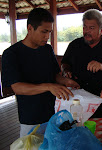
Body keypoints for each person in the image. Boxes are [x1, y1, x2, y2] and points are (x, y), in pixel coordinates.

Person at [1, 8, 80, 137]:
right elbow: (17, 87)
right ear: (30, 28)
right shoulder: (11, 54)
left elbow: (54, 75)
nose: (47, 37)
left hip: (53, 113)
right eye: (44, 32)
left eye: (49, 32)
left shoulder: (47, 49)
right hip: (30, 119)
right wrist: (48, 86)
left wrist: (66, 81)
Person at [61, 9, 102, 118]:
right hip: (77, 101)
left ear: (101, 30)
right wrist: (66, 71)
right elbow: (65, 63)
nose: (87, 31)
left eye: (91, 28)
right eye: (84, 27)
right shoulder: (74, 45)